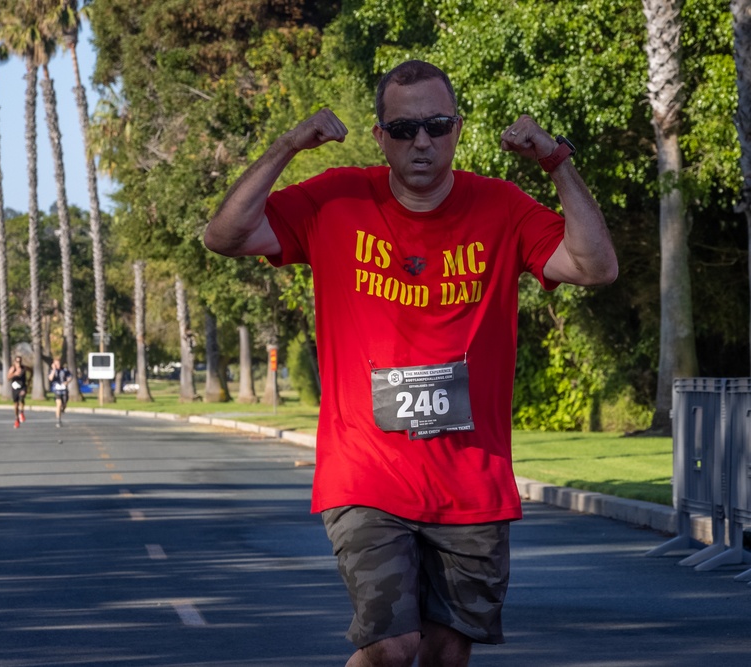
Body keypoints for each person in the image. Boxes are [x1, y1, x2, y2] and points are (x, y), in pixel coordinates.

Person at [204, 60, 618, 667]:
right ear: (380, 136)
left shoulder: (500, 207)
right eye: (403, 129)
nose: (421, 140)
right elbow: (224, 236)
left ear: (456, 127)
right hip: (366, 473)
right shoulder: (335, 199)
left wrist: (558, 163)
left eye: (436, 124)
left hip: (471, 479)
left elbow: (595, 267)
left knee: (446, 654)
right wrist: (289, 147)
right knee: (393, 648)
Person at [48, 357, 72, 427]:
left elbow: (70, 377)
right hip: (56, 389)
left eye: (58, 363)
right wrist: (53, 370)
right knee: (59, 404)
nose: (57, 365)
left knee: (64, 404)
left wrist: (67, 381)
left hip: (64, 389)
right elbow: (50, 378)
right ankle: (58, 420)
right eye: (56, 364)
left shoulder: (64, 370)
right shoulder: (52, 370)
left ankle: (63, 409)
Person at [7, 355, 27, 428]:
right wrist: (15, 374)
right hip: (15, 387)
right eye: (17, 361)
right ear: (15, 361)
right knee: (16, 404)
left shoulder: (23, 368)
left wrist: (29, 381)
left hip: (22, 386)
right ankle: (16, 418)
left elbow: (30, 371)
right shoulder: (13, 368)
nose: (19, 363)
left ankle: (21, 413)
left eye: (20, 361)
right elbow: (8, 377)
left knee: (22, 398)